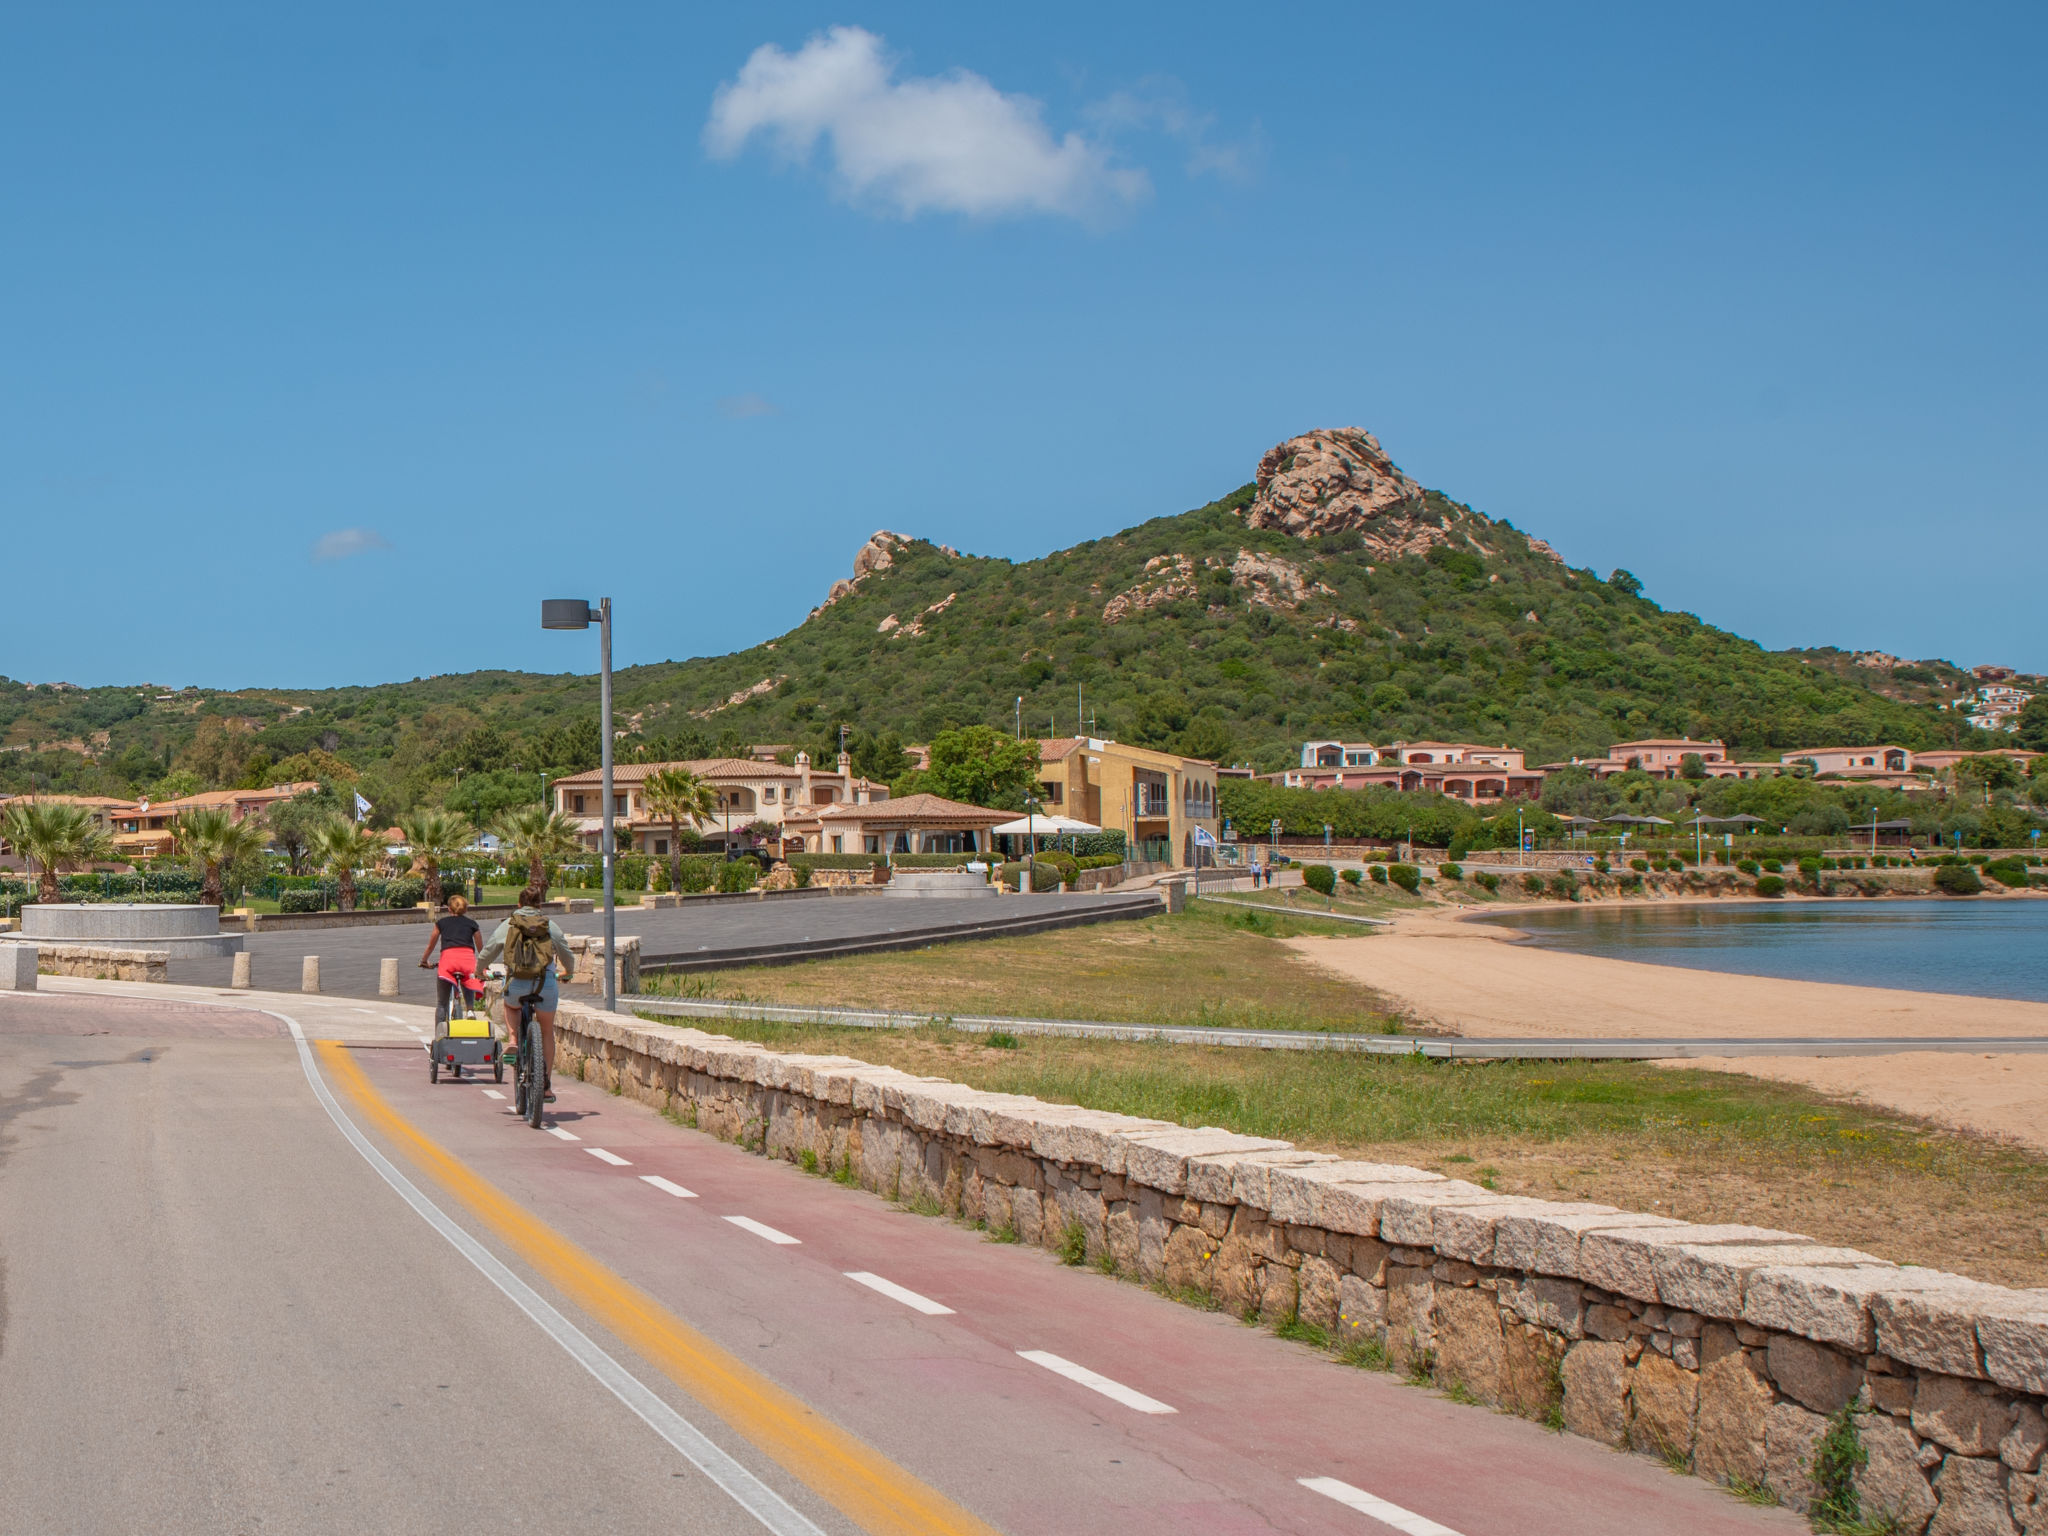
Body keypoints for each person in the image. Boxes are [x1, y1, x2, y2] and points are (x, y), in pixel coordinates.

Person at [478, 886, 575, 1102]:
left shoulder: (509, 924)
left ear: (519, 904)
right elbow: (565, 952)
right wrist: (568, 972)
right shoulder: (549, 925)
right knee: (547, 1032)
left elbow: (488, 951)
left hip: (517, 983)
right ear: (540, 905)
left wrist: (479, 971)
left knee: (510, 1005)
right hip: (545, 984)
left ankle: (513, 1038)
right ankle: (546, 1086)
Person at [417, 893, 483, 1026]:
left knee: (442, 1003)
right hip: (467, 961)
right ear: (465, 909)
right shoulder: (473, 924)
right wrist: (484, 966)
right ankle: (470, 1009)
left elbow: (431, 946)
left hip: (448, 961)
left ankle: (439, 1033)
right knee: (468, 979)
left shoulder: (441, 923)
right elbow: (481, 949)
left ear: (449, 909)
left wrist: (424, 961)